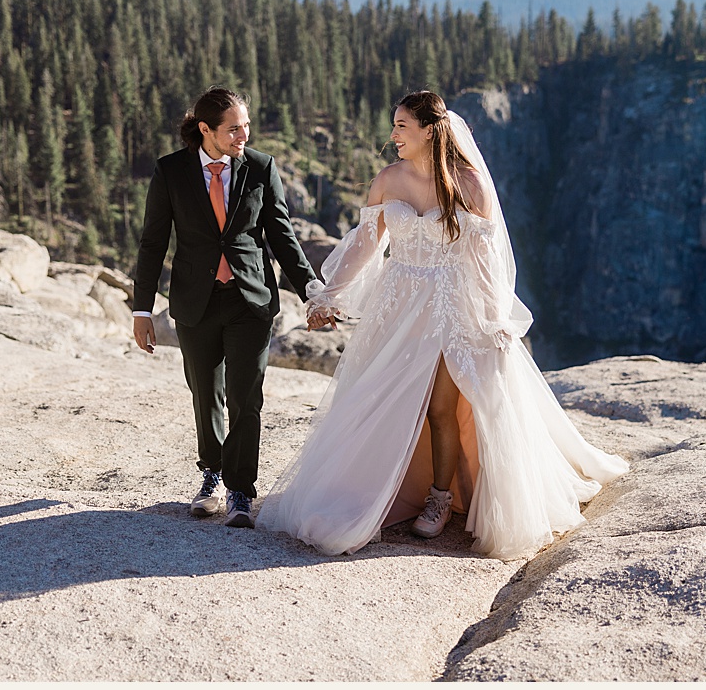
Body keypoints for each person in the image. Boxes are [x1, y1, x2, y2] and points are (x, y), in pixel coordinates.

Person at [256, 90, 629, 560]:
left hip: (454, 308)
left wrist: (495, 316)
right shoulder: (387, 180)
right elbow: (364, 247)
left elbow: (486, 258)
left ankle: (439, 498)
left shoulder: (469, 184)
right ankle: (377, 491)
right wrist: (328, 296)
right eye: (393, 126)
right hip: (399, 308)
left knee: (440, 408)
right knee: (380, 398)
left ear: (430, 130)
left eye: (401, 126)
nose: (392, 136)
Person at [131, 87, 321, 529]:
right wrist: (142, 311)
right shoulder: (171, 172)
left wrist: (312, 290)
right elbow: (153, 243)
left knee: (245, 396)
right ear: (205, 130)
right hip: (195, 301)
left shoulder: (261, 167)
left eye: (246, 126)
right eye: (234, 128)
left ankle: (240, 490)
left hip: (249, 299)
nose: (243, 135)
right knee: (206, 393)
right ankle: (211, 476)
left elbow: (282, 237)